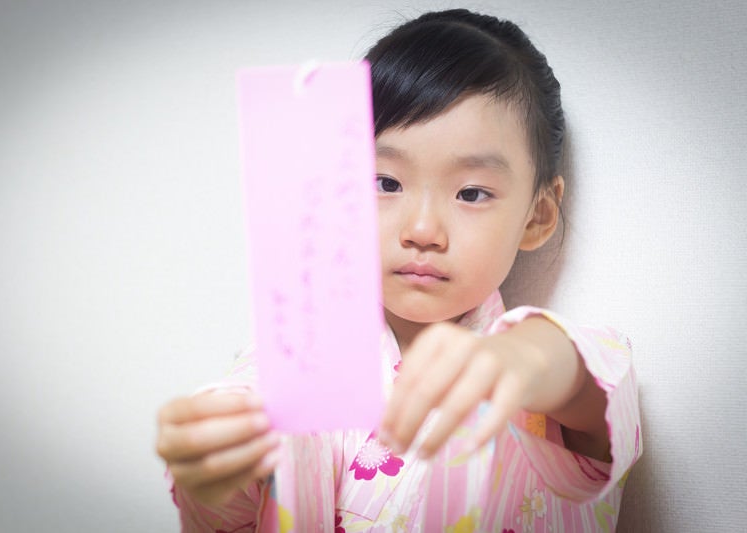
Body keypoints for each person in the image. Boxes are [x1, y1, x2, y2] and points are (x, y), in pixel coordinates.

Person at [156, 8, 642, 532]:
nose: (423, 229)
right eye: (385, 183)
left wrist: (514, 359)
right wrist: (214, 463)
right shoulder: (300, 362)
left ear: (538, 215)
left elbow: (576, 378)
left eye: (471, 193)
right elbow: (238, 472)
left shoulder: (547, 378)